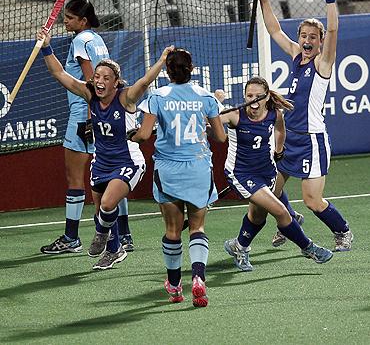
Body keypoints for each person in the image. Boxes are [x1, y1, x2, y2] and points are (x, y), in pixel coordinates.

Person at [39, 28, 173, 269]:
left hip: (128, 162)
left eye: (106, 78)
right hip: (101, 163)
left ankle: (102, 234)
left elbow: (144, 82)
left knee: (107, 206)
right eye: (97, 76)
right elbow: (58, 72)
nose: (99, 81)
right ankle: (115, 250)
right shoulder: (89, 93)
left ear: (116, 82)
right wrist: (46, 46)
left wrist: (162, 61)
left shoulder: (125, 98)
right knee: (100, 209)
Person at [252, 0, 353, 251]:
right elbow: (273, 29)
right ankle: (290, 219)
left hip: (311, 140)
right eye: (304, 35)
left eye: (313, 37)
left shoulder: (323, 64)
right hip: (287, 137)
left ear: (320, 42)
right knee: (270, 189)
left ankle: (343, 231)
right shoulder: (297, 55)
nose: (308, 41)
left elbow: (333, 28)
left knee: (312, 200)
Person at [128, 48, 227, 307]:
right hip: (198, 168)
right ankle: (198, 278)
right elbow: (221, 138)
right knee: (197, 228)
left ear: (167, 71)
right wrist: (206, 124)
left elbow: (145, 134)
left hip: (168, 170)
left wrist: (131, 135)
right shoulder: (206, 97)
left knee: (172, 231)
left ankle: (174, 287)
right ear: (191, 68)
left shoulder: (157, 97)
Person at [217, 76, 333, 271]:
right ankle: (308, 248)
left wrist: (279, 151)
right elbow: (210, 120)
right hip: (242, 173)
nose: (253, 100)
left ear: (267, 97)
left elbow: (280, 130)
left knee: (257, 217)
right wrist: (214, 103)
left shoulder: (274, 113)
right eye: (249, 96)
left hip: (267, 171)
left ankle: (239, 246)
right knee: (281, 211)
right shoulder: (234, 115)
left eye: (258, 96)